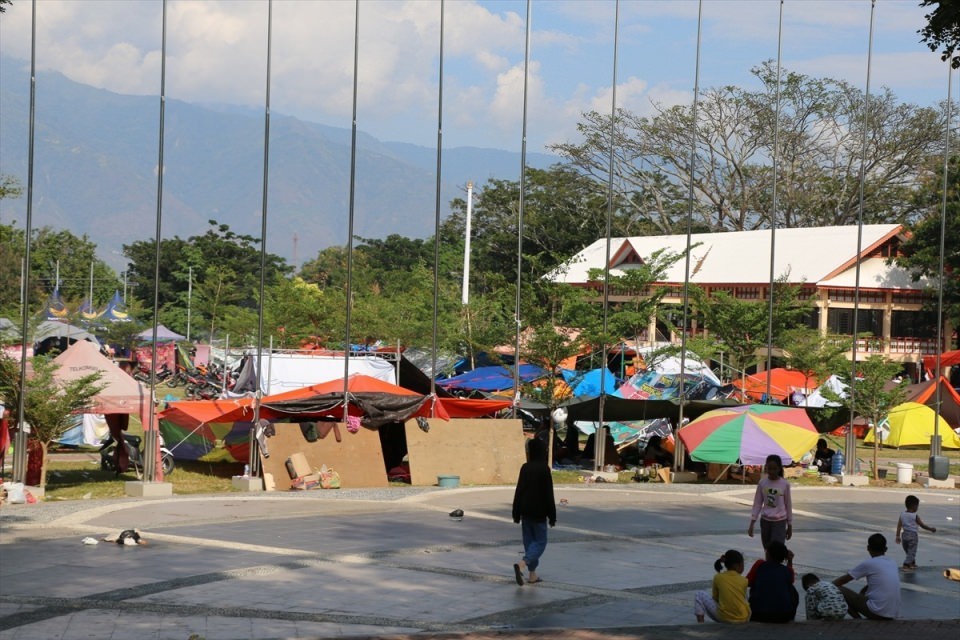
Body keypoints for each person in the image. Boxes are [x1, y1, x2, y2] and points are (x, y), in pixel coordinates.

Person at [511, 437, 556, 586]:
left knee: (529, 543)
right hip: (539, 512)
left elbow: (519, 491)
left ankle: (532, 575)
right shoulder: (544, 468)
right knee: (540, 542)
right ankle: (523, 564)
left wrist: (515, 512)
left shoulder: (525, 467)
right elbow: (549, 493)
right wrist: (552, 515)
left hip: (525, 511)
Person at [833, 533, 901, 620]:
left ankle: (858, 620)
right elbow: (882, 582)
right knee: (861, 594)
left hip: (877, 612)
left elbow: (842, 580)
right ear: (886, 549)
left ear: (868, 548)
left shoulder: (869, 563)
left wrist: (826, 587)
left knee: (837, 589)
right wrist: (862, 593)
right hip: (892, 612)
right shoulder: (892, 562)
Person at [747, 454, 793, 549]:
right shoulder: (762, 483)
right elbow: (757, 503)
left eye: (774, 469)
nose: (771, 472)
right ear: (766, 468)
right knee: (767, 549)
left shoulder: (785, 484)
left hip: (779, 522)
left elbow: (788, 505)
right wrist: (752, 522)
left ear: (779, 469)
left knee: (777, 550)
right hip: (765, 522)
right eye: (769, 469)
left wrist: (790, 525)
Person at [746, 540, 798, 623]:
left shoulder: (759, 564)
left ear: (768, 554)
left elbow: (748, 582)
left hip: (758, 614)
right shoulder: (787, 570)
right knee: (791, 588)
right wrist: (790, 560)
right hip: (783, 615)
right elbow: (790, 579)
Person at [694, 549, 750, 624]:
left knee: (699, 594)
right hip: (743, 619)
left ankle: (700, 624)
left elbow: (715, 598)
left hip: (724, 618)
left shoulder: (718, 577)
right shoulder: (744, 580)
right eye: (743, 564)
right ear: (737, 565)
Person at [895, 494, 936, 571]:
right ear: (914, 506)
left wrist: (897, 536)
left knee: (908, 550)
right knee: (912, 551)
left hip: (904, 535)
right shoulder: (915, 516)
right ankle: (906, 564)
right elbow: (922, 525)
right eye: (917, 506)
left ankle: (912, 563)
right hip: (913, 536)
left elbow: (899, 526)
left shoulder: (902, 515)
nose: (917, 508)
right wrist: (931, 529)